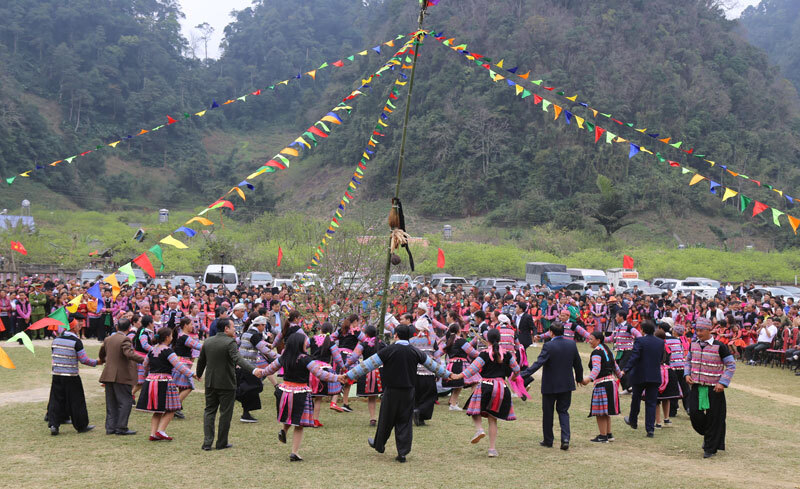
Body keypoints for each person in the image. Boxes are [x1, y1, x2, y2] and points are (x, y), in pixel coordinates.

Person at [342, 323, 453, 463]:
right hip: (409, 391)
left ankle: (379, 445)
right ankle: (402, 452)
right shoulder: (415, 351)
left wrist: (349, 375)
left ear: (395, 335)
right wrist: (449, 374)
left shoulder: (389, 350)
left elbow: (367, 365)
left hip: (392, 390)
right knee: (405, 420)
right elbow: (433, 365)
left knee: (385, 419)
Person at [260, 333, 341, 461]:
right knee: (299, 425)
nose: (306, 344)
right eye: (305, 341)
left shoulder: (283, 357)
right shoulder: (306, 359)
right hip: (300, 393)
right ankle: (294, 452)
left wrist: (259, 372)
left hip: (284, 390)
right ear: (300, 343)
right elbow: (320, 374)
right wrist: (338, 378)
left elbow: (269, 370)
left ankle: (284, 431)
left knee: (289, 416)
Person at [196, 317, 262, 451]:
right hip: (226, 383)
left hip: (210, 382)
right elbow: (238, 359)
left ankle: (207, 443)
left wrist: (198, 374)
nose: (235, 330)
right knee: (225, 413)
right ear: (226, 329)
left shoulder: (208, 341)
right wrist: (253, 369)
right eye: (233, 327)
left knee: (209, 411)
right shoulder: (229, 342)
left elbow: (201, 361)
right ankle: (221, 443)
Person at [454, 328, 520, 457]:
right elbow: (517, 369)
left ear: (487, 340)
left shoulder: (484, 354)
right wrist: (513, 377)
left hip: (486, 385)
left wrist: (458, 376)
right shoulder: (507, 354)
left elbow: (472, 370)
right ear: (499, 339)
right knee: (492, 419)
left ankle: (479, 429)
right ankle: (492, 449)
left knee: (474, 411)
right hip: (502, 387)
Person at [519, 322, 583, 450]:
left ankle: (548, 440)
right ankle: (565, 439)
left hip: (550, 385)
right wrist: (579, 378)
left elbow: (538, 363)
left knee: (548, 413)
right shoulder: (571, 344)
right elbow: (578, 363)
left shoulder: (548, 345)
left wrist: (522, 374)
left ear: (551, 333)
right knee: (563, 411)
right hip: (566, 384)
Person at [684, 317, 736, 458]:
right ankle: (709, 435)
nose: (698, 333)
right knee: (694, 414)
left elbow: (731, 365)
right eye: (697, 330)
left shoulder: (720, 346)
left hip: (714, 388)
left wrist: (722, 382)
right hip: (696, 386)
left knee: (715, 417)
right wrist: (687, 373)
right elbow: (688, 360)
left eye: (701, 330)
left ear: (709, 330)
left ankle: (710, 447)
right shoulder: (693, 344)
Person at [136, 327, 197, 441]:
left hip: (151, 380)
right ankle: (161, 431)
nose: (172, 338)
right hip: (164, 381)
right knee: (172, 408)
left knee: (157, 410)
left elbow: (145, 365)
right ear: (167, 338)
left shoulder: (152, 350)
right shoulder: (168, 351)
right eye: (171, 336)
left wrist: (146, 376)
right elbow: (179, 366)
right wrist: (192, 374)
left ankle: (153, 434)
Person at [47, 324, 101, 435]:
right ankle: (81, 425)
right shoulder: (76, 341)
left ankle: (54, 424)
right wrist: (97, 362)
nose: (80, 327)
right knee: (77, 401)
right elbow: (84, 359)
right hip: (71, 375)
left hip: (57, 374)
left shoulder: (56, 340)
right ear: (73, 328)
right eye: (78, 325)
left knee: (56, 400)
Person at [98, 318, 143, 435]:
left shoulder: (108, 339)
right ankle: (121, 427)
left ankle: (110, 427)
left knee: (111, 402)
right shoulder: (125, 339)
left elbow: (102, 353)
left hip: (108, 374)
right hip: (122, 375)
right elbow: (128, 353)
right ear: (129, 328)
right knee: (125, 401)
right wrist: (144, 359)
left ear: (117, 327)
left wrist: (104, 360)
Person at [623, 320, 665, 438]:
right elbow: (661, 358)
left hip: (639, 375)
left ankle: (633, 421)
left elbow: (635, 356)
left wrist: (625, 369)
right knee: (651, 403)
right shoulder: (660, 342)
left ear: (642, 330)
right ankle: (650, 429)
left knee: (636, 398)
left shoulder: (640, 340)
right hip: (654, 375)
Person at [581, 331, 623, 443]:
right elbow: (616, 367)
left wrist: (588, 379)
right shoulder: (607, 350)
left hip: (602, 384)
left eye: (591, 339)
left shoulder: (596, 352)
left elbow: (596, 369)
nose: (589, 341)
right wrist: (620, 375)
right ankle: (609, 434)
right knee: (606, 411)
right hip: (612, 383)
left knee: (600, 412)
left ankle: (603, 436)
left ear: (598, 340)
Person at [345, 325, 384, 426]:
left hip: (367, 372)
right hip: (380, 373)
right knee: (384, 395)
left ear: (366, 334)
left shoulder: (363, 344)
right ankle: (385, 417)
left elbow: (353, 357)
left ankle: (372, 418)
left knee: (371, 397)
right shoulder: (382, 343)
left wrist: (345, 366)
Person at [172, 317, 203, 419]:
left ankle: (176, 407)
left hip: (179, 363)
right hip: (182, 364)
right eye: (191, 324)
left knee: (182, 387)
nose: (192, 326)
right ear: (185, 325)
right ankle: (174, 407)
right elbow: (198, 346)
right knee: (189, 386)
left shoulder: (180, 335)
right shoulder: (185, 337)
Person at [609, 310, 642, 393]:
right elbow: (611, 338)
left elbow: (639, 335)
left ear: (621, 317)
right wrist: (600, 339)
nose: (615, 318)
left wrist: (636, 345)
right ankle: (626, 388)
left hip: (628, 351)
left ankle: (629, 387)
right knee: (616, 369)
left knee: (621, 369)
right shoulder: (617, 327)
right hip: (620, 352)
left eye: (617, 316)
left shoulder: (629, 327)